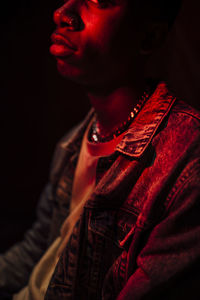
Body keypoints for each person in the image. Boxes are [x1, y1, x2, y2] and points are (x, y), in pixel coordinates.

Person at [0, 0, 200, 299]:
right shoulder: (73, 143)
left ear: (149, 37)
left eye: (99, 1)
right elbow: (40, 248)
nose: (62, 14)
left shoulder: (185, 160)